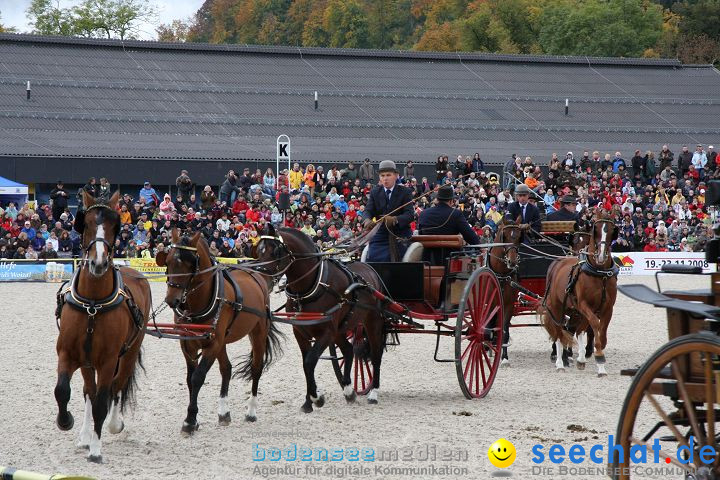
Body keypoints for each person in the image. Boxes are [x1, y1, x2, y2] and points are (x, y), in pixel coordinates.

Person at [363, 160, 414, 262]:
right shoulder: (375, 192)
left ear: (396, 176)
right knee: (372, 257)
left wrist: (395, 219)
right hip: (381, 233)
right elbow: (368, 210)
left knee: (398, 258)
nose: (385, 179)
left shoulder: (405, 192)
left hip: (400, 233)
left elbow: (410, 215)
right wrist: (367, 220)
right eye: (382, 176)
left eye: (388, 175)